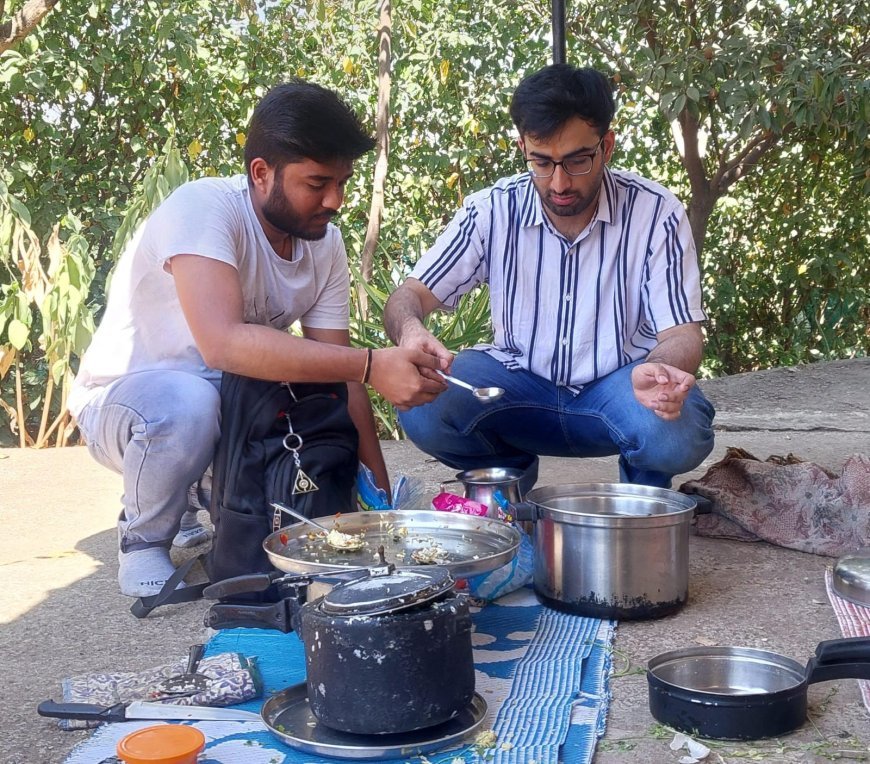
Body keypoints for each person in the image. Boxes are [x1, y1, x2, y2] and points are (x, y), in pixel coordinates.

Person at [69, 80, 443, 597]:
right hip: (129, 406)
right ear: (261, 173)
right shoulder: (203, 209)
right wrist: (370, 363)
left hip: (232, 408)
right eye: (317, 183)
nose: (334, 200)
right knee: (190, 404)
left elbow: (343, 373)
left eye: (342, 182)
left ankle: (191, 497)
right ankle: (143, 537)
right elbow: (223, 344)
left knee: (298, 420)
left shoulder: (324, 244)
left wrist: (379, 503)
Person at [384, 64, 716, 492]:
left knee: (676, 433)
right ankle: (505, 477)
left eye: (577, 161)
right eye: (541, 162)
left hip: (620, 389)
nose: (559, 183)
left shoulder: (656, 212)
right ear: (522, 147)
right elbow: (408, 296)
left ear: (606, 146)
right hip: (516, 387)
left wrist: (659, 371)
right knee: (424, 405)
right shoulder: (492, 210)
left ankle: (642, 496)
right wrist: (410, 330)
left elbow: (684, 333)